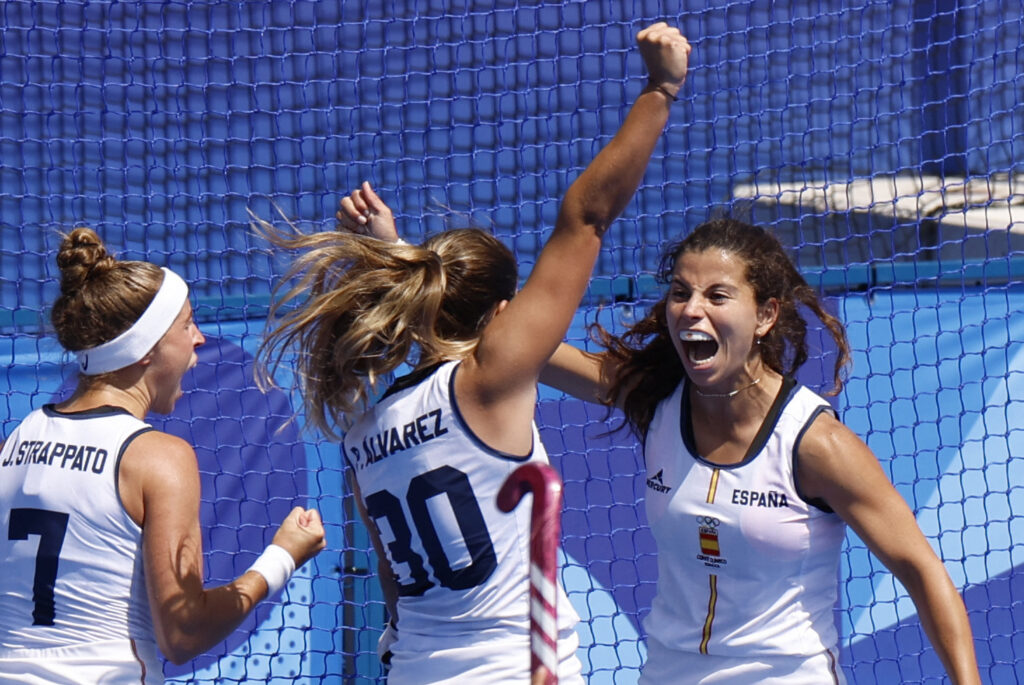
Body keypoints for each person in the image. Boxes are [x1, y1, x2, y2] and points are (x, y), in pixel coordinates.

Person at [254, 22, 691, 684]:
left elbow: (392, 585)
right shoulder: (490, 382)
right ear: (500, 317)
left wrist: (392, 250)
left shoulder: (363, 433)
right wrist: (661, 88)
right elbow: (586, 218)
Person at [541, 217, 981, 684]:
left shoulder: (816, 444)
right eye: (680, 292)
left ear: (765, 316)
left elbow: (921, 569)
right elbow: (529, 351)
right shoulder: (655, 400)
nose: (691, 309)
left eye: (716, 295)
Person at [0, 227, 327, 684]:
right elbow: (183, 633)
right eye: (186, 324)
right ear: (147, 348)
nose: (198, 339)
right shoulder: (158, 458)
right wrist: (282, 557)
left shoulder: (13, 446)